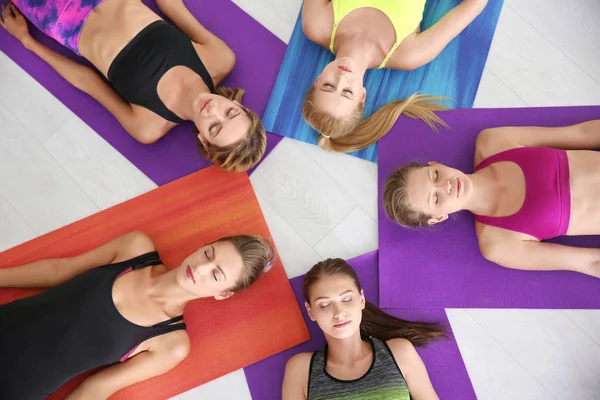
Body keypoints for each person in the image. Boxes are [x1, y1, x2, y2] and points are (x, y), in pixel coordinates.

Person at [0, 231, 274, 399]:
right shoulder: (135, 248)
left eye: (216, 274)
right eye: (208, 254)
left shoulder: (171, 344)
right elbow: (61, 271)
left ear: (223, 294)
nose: (201, 268)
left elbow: (97, 389)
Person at [0, 0, 267, 172]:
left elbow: (88, 82)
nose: (213, 112)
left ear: (204, 141)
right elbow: (172, 6)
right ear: (237, 105)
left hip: (59, 19)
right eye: (229, 113)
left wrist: (27, 41)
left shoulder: (148, 126)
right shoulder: (219, 59)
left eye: (215, 127)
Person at [383, 120, 600, 277]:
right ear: (438, 217)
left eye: (435, 176)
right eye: (436, 199)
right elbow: (589, 262)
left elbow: (579, 133)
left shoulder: (493, 142)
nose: (446, 186)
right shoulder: (498, 244)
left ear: (435, 164)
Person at [300, 0, 489, 153]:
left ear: (317, 80)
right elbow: (473, 6)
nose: (342, 78)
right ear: (362, 96)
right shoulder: (408, 54)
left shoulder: (316, 24)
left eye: (328, 86)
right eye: (347, 92)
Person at [282, 258, 446, 399]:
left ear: (361, 299)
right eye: (324, 305)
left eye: (347, 300)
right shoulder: (301, 369)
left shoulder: (399, 352)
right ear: (310, 311)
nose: (339, 313)